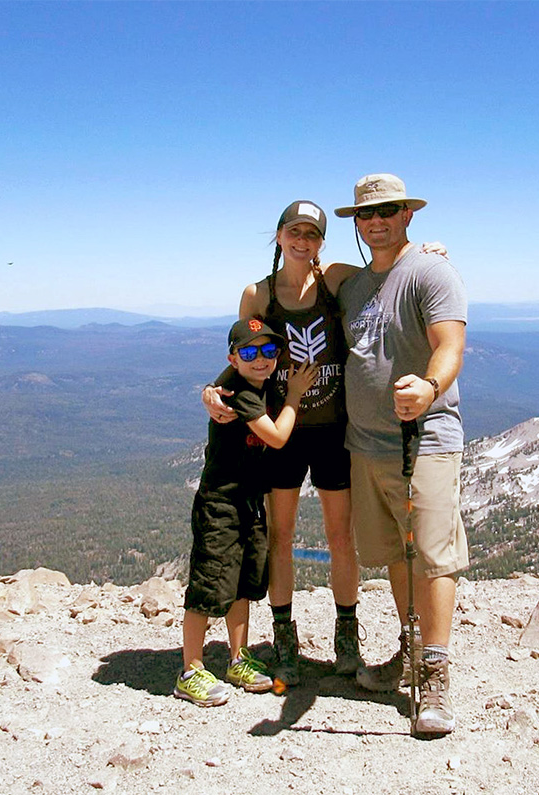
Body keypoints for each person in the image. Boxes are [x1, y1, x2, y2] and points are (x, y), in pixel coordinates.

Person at [202, 202, 446, 687]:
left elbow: (388, 274)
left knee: (341, 540)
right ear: (278, 236)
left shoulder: (335, 278)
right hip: (283, 431)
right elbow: (244, 356)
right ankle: (284, 639)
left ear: (321, 242)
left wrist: (427, 255)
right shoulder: (258, 294)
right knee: (282, 539)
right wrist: (213, 389)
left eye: (312, 234)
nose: (302, 241)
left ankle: (346, 637)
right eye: (295, 232)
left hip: (337, 430)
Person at [334, 173, 468, 737]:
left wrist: (430, 388)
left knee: (433, 554)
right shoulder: (351, 283)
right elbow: (311, 271)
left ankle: (434, 673)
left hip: (425, 439)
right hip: (365, 445)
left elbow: (450, 344)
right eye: (366, 215)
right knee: (395, 551)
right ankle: (411, 652)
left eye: (387, 211)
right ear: (357, 224)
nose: (376, 221)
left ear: (407, 215)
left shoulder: (431, 272)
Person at [176, 318, 317, 707]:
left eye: (269, 351)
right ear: (233, 359)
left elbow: (238, 372)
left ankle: (236, 659)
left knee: (242, 583)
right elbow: (276, 437)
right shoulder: (241, 393)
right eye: (250, 352)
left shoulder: (257, 381)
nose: (262, 360)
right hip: (221, 502)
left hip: (250, 500)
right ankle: (190, 670)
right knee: (209, 584)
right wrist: (294, 398)